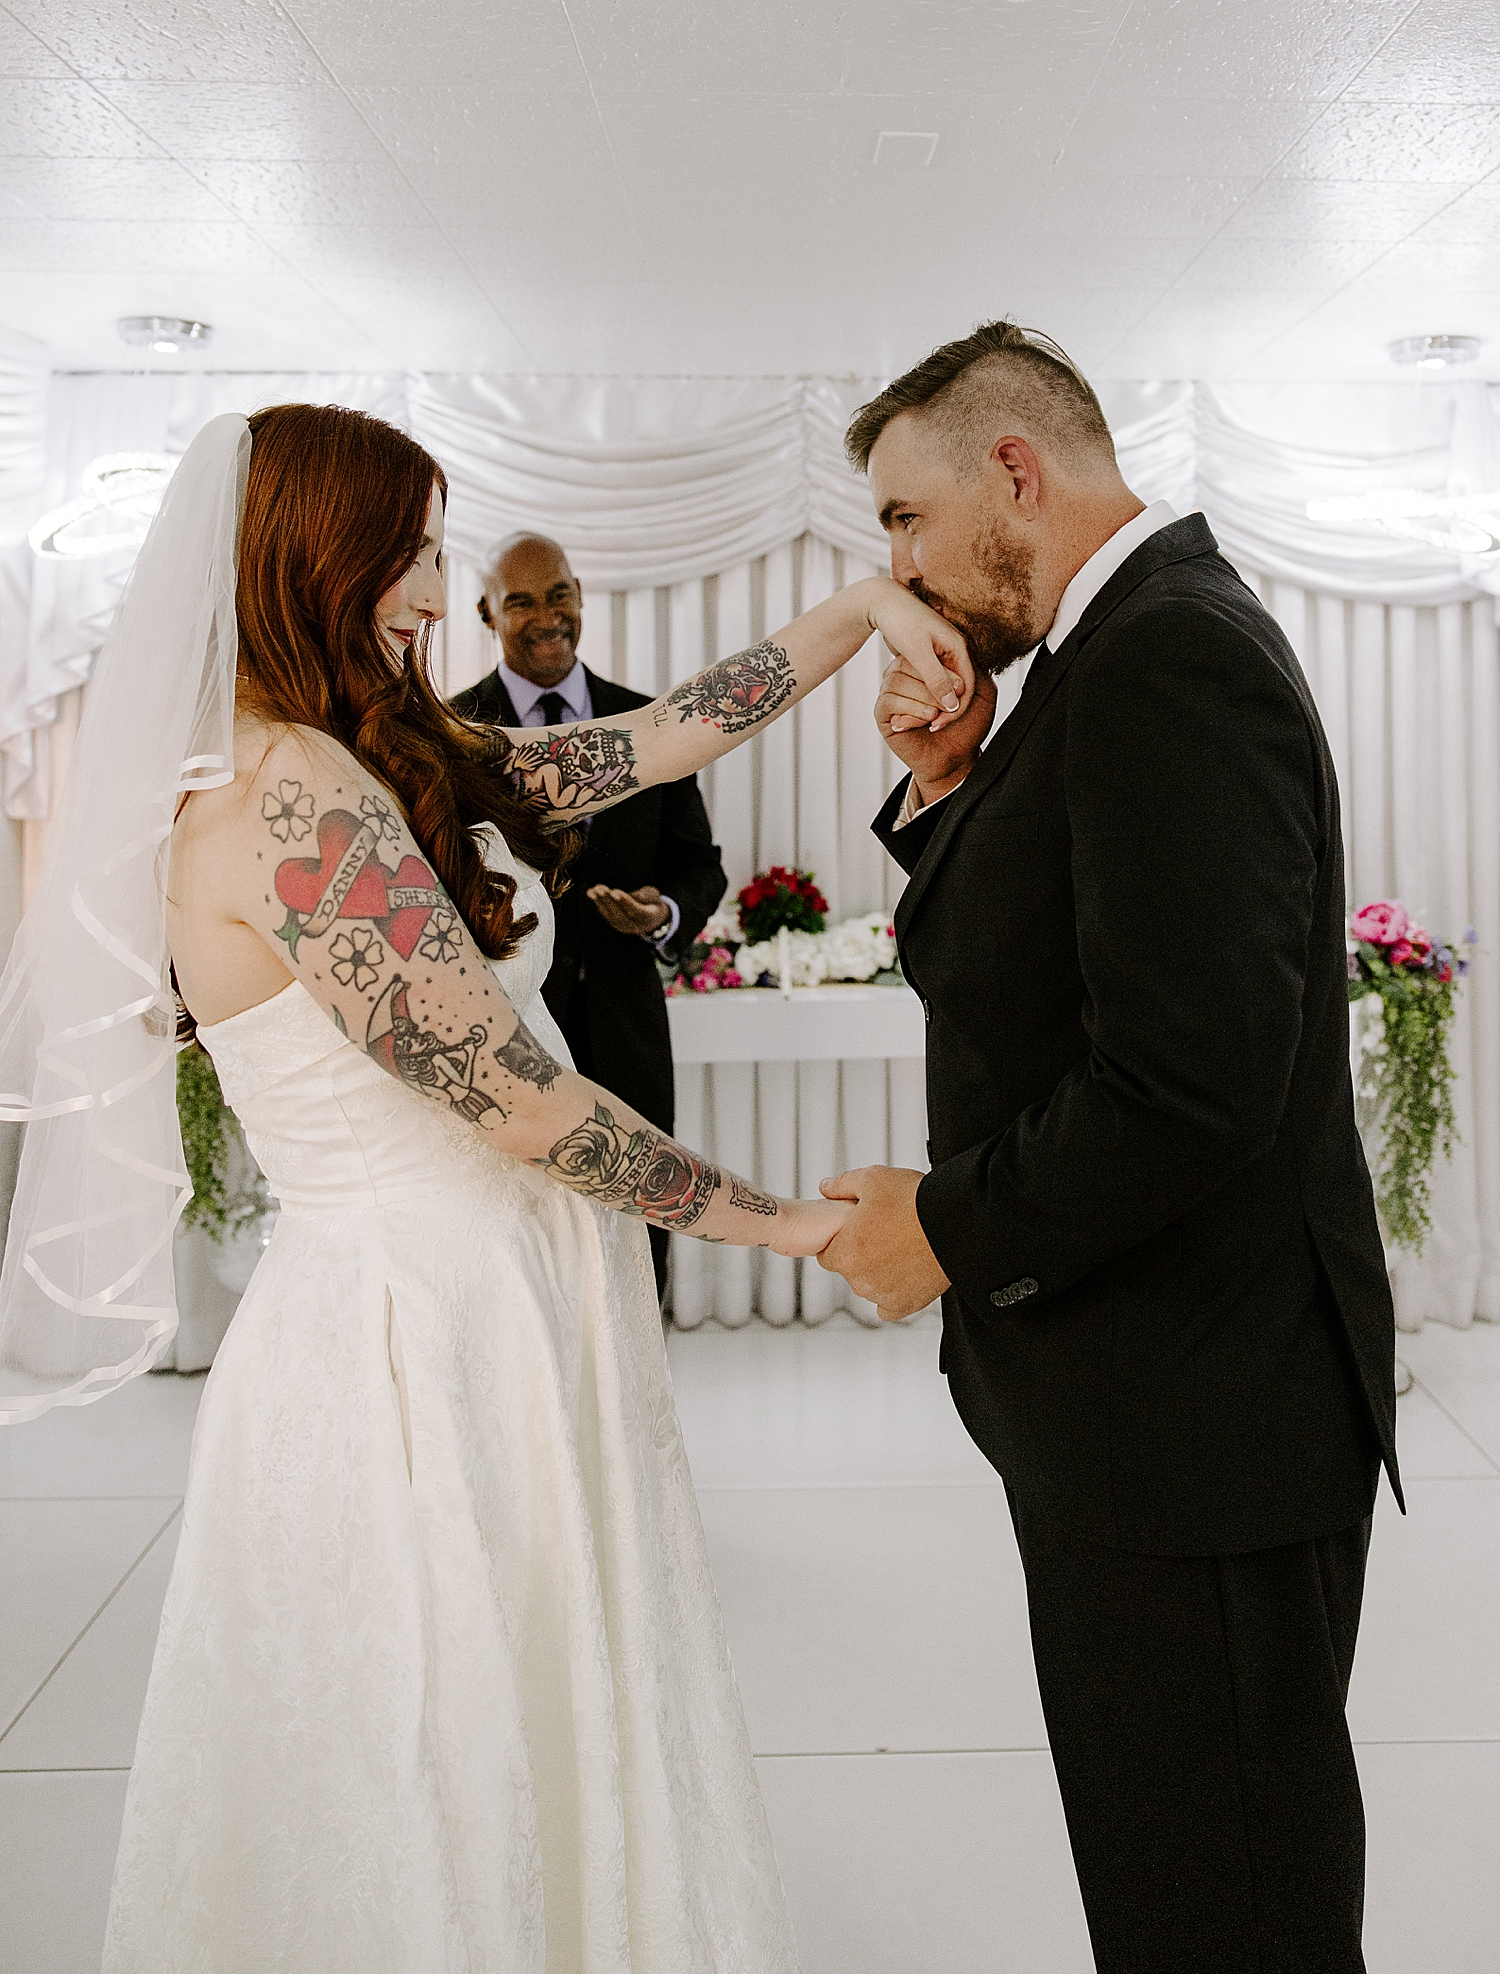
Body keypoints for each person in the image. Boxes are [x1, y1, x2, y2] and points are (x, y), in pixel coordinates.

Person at [0, 404, 972, 1971]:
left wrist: (857, 614)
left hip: (491, 1299)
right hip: (415, 1334)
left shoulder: (359, 751)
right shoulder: (286, 798)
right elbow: (522, 1103)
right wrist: (798, 1227)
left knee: (508, 1719)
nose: (440, 599)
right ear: (315, 559)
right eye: (414, 556)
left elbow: (643, 743)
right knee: (435, 1741)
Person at [817, 321, 1401, 1974]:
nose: (906, 570)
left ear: (1017, 470)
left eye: (909, 521)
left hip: (1201, 1420)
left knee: (1223, 1906)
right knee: (1178, 1878)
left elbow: (1189, 1077)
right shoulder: (1105, 655)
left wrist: (941, 1227)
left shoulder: (1167, 652)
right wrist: (944, 787)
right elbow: (1040, 967)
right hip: (1158, 1402)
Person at [452, 533, 726, 1303]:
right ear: (485, 613)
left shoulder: (652, 722)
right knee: (515, 1243)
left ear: (580, 597)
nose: (548, 616)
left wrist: (663, 912)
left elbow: (698, 865)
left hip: (624, 1027)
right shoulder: (452, 736)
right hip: (500, 1039)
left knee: (642, 1236)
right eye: (522, 601)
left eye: (560, 594)